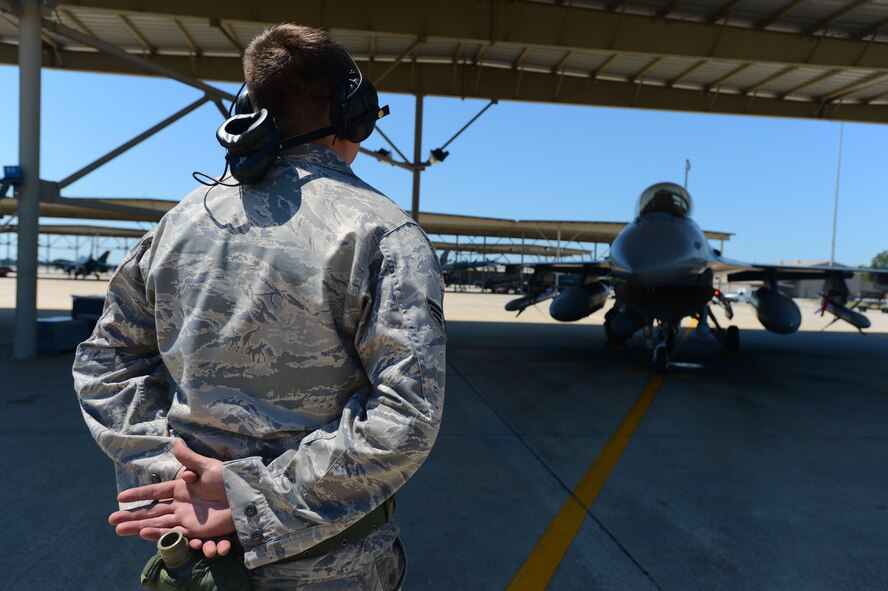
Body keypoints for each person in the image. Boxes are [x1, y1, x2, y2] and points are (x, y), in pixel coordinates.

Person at [73, 24, 446, 590]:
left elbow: (106, 364)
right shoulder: (383, 232)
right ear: (355, 115)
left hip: (192, 550)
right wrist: (252, 501)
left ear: (249, 110)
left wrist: (175, 481)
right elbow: (407, 418)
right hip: (331, 564)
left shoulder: (179, 223)